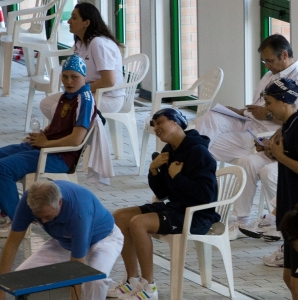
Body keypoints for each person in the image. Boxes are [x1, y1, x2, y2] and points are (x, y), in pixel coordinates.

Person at [107, 108, 220, 300]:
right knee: (119, 216)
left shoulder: (198, 152)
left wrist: (178, 177)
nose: (156, 128)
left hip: (197, 215)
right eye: (154, 125)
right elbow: (162, 193)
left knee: (138, 223)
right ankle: (132, 281)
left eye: (161, 122)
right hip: (176, 207)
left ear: (176, 122)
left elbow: (207, 196)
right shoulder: (169, 151)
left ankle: (149, 287)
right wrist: (153, 170)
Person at [0, 54, 97, 236]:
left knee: (2, 169)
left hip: (58, 156)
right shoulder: (67, 96)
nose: (69, 81)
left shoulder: (84, 99)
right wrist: (43, 134)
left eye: (74, 77)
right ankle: (3, 211)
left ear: (84, 77)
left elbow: (76, 140)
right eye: (65, 76)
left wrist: (47, 142)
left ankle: (17, 222)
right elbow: (58, 125)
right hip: (44, 147)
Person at [0, 180, 124, 300]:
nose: (43, 221)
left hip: (104, 239)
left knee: (96, 280)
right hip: (64, 242)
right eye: (38, 217)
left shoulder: (78, 211)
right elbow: (12, 244)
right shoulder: (29, 201)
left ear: (60, 202)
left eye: (47, 216)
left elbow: (76, 267)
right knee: (23, 277)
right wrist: (0, 292)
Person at [195, 34, 298, 163]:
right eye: (264, 61)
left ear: (284, 55)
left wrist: (267, 116)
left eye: (270, 61)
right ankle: (188, 158)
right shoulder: (269, 75)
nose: (267, 66)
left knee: (210, 145)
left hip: (267, 130)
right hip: (249, 120)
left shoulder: (295, 79)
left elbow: (294, 122)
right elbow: (257, 104)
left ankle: (189, 164)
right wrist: (240, 111)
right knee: (211, 117)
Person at [40, 2, 125, 121]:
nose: (69, 21)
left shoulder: (98, 43)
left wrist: (80, 90)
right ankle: (66, 135)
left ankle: (75, 137)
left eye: (74, 18)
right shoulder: (81, 44)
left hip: (108, 97)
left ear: (87, 22)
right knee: (46, 104)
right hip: (89, 92)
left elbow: (109, 81)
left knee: (60, 108)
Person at [262, 78, 298, 298]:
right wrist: (274, 154)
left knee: (296, 282)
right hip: (289, 210)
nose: (266, 108)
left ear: (284, 101)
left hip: (297, 210)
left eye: (268, 102)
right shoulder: (288, 125)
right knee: (289, 278)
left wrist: (279, 156)